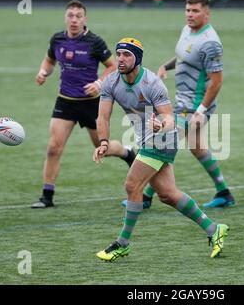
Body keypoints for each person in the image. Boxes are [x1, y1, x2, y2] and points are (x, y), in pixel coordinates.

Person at [93, 37, 229, 261]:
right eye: (118, 54)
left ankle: (122, 243)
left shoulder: (152, 83)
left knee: (132, 184)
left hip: (163, 138)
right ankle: (214, 229)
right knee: (168, 195)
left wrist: (160, 125)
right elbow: (103, 116)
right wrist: (104, 143)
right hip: (145, 139)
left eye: (127, 55)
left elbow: (169, 118)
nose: (120, 59)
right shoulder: (111, 81)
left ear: (137, 59)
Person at [121, 0, 236, 210]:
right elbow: (184, 56)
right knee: (197, 148)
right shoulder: (187, 30)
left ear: (206, 13)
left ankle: (145, 196)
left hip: (194, 107)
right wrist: (166, 65)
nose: (190, 15)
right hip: (183, 102)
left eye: (195, 11)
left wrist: (201, 110)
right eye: (187, 10)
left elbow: (217, 81)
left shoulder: (211, 43)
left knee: (162, 142)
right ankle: (224, 192)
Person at [31, 0, 136, 209]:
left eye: (78, 16)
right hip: (66, 102)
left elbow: (113, 67)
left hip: (90, 103)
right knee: (53, 148)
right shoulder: (57, 39)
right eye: (70, 15)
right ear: (65, 17)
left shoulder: (94, 42)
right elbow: (49, 60)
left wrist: (98, 82)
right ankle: (47, 196)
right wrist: (43, 72)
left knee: (101, 148)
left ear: (84, 19)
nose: (74, 20)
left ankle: (127, 152)